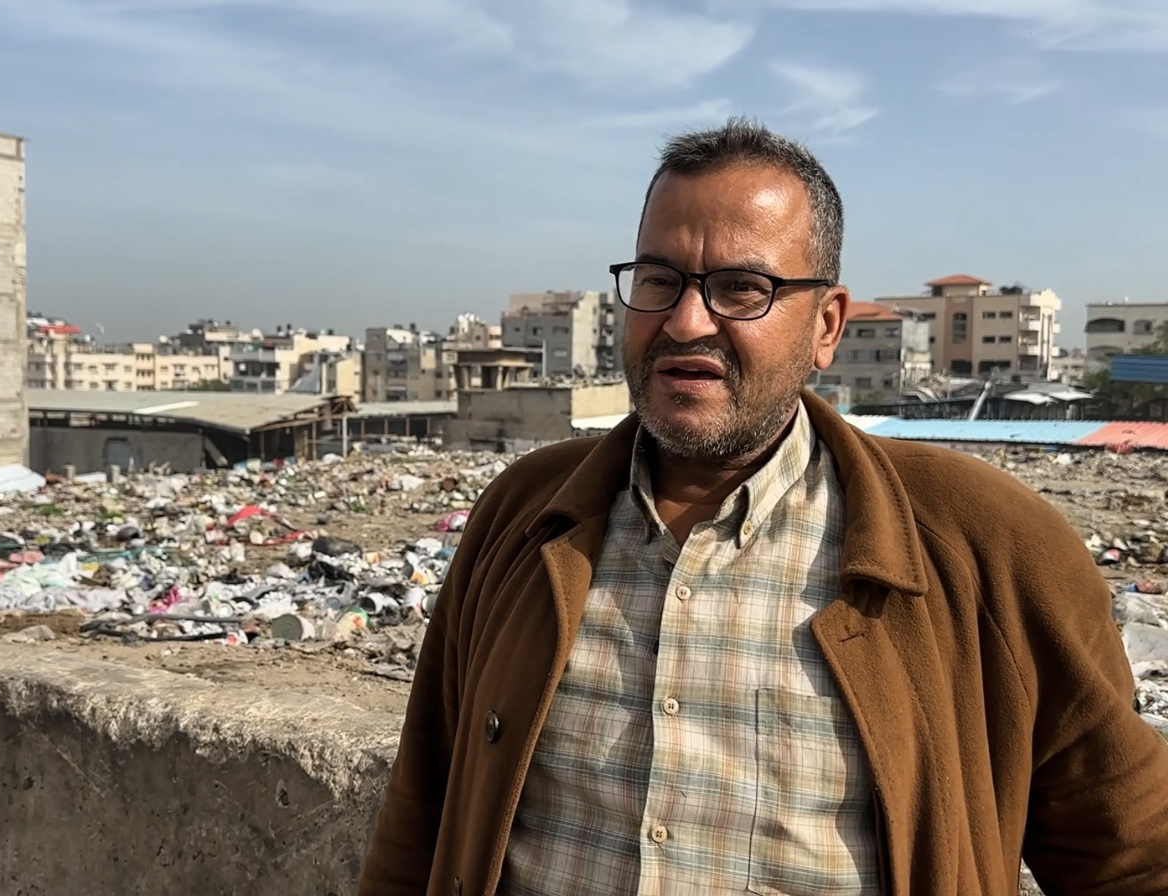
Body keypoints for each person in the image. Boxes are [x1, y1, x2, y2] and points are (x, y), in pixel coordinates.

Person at [358, 118, 1168, 896]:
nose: (684, 321)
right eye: (658, 280)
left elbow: (1130, 856)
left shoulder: (986, 547)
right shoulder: (524, 520)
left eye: (742, 288)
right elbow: (422, 813)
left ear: (826, 325)